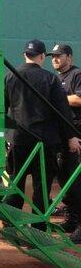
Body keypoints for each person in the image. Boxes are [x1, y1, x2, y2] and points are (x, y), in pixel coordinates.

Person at [4, 40, 81, 226]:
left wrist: (5, 136)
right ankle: (38, 227)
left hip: (18, 139)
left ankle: (9, 225)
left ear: (24, 55)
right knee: (42, 186)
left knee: (16, 183)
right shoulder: (50, 79)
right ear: (41, 57)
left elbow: (2, 108)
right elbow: (62, 112)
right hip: (43, 142)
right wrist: (71, 136)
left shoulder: (9, 77)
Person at [50, 44, 81, 243]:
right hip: (62, 136)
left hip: (77, 135)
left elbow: (78, 99)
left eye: (58, 56)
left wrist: (58, 98)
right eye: (52, 56)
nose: (55, 59)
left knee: (77, 181)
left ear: (68, 57)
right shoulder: (55, 78)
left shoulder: (77, 74)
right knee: (63, 177)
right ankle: (72, 219)